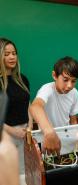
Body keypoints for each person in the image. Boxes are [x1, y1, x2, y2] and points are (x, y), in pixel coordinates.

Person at [30, 56, 78, 155]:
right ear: (54, 75)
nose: (69, 85)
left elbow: (73, 119)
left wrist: (76, 138)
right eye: (65, 80)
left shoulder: (74, 92)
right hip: (48, 141)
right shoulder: (47, 89)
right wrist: (49, 132)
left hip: (67, 141)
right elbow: (35, 107)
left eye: (73, 81)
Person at [0, 38, 32, 174]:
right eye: (6, 54)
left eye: (14, 53)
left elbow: (28, 104)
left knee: (27, 172)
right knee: (10, 175)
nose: (12, 57)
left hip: (26, 134)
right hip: (6, 135)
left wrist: (29, 126)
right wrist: (14, 132)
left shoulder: (22, 79)